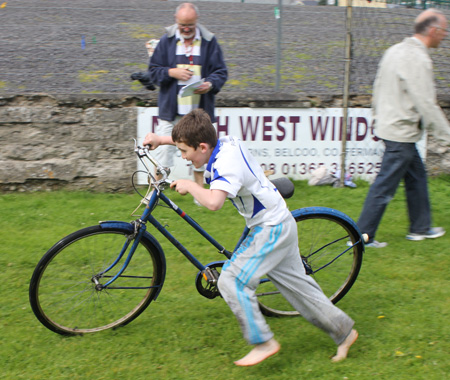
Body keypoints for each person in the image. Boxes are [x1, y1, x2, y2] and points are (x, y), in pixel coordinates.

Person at [143, 109, 358, 367]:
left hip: (271, 229)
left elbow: (214, 203)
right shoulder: (223, 143)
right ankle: (345, 333)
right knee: (300, 290)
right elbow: (194, 140)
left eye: (184, 152)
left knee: (231, 281)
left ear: (201, 147)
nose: (183, 157)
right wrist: (160, 138)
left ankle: (263, 342)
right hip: (279, 222)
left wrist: (191, 186)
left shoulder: (226, 166)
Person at [357, 8, 450, 248]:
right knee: (384, 184)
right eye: (444, 31)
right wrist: (446, 135)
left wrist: (377, 117)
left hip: (393, 128)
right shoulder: (418, 59)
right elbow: (426, 103)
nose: (445, 36)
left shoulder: (394, 51)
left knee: (416, 178)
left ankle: (420, 228)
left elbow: (377, 87)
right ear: (433, 30)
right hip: (401, 132)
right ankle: (362, 236)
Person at [149, 2, 228, 188]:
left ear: (197, 21)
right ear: (176, 21)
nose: (186, 29)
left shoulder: (209, 42)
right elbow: (153, 72)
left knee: (202, 151)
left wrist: (209, 84)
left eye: (190, 25)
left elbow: (221, 72)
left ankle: (201, 195)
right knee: (163, 154)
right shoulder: (166, 41)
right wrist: (172, 72)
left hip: (199, 114)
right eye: (182, 25)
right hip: (171, 112)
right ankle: (155, 194)